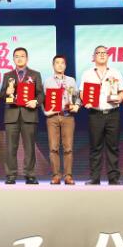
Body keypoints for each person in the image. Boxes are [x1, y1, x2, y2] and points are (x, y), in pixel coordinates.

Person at [80, 46, 123, 185]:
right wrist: (85, 101)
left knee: (113, 147)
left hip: (112, 113)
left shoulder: (115, 72)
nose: (102, 55)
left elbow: (122, 92)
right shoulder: (87, 74)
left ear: (108, 56)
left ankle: (113, 178)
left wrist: (120, 98)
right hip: (95, 113)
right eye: (98, 53)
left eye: (104, 53)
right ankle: (95, 177)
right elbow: (82, 92)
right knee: (95, 147)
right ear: (93, 57)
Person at [0, 47, 44, 184]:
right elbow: (2, 95)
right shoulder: (8, 75)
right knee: (10, 147)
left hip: (29, 114)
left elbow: (41, 94)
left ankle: (30, 174)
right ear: (13, 59)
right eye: (17, 56)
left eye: (22, 56)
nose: (19, 58)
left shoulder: (35, 74)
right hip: (11, 115)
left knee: (29, 146)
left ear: (27, 58)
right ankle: (11, 175)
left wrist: (35, 102)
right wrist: (7, 92)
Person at [43, 55, 80, 185]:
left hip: (67, 115)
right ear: (53, 65)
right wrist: (45, 111)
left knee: (68, 148)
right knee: (53, 147)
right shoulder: (47, 81)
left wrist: (76, 105)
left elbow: (76, 97)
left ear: (65, 65)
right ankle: (56, 176)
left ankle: (68, 176)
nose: (59, 65)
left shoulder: (71, 80)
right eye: (57, 63)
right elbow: (43, 99)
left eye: (62, 63)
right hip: (52, 117)